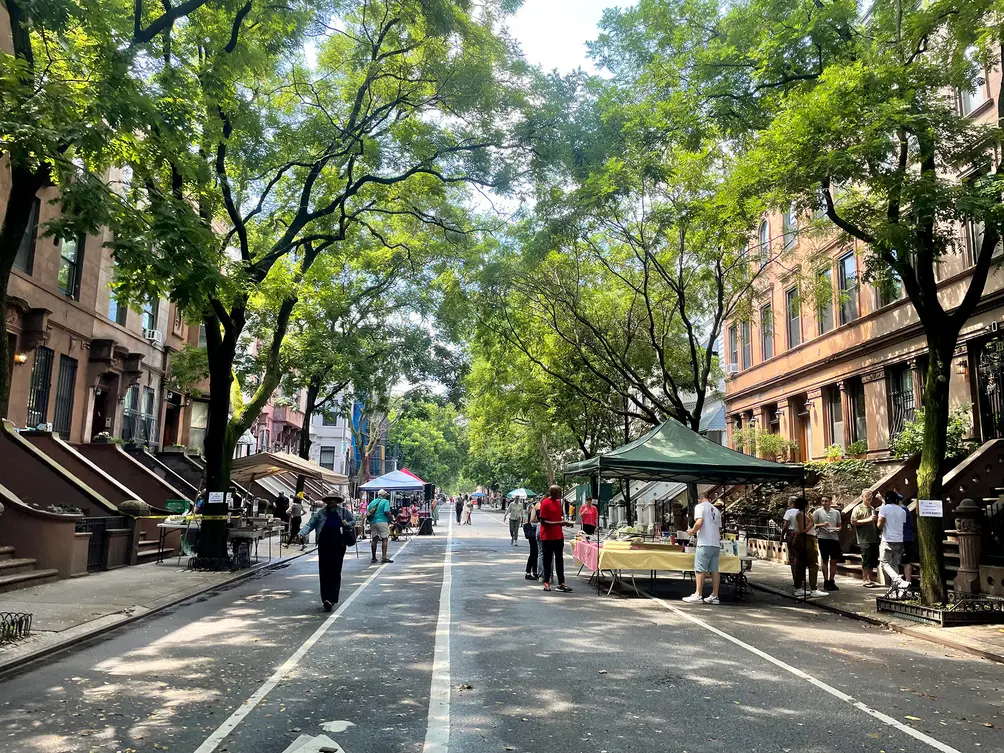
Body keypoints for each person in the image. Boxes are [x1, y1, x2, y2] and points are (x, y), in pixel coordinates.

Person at [300, 495, 355, 611]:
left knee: (335, 570)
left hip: (338, 545)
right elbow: (310, 524)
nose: (331, 502)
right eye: (329, 500)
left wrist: (347, 524)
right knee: (324, 571)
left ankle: (333, 597)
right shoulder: (320, 513)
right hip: (324, 545)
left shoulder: (344, 512)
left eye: (333, 500)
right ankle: (326, 598)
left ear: (336, 501)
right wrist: (302, 533)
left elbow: (353, 520)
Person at [682, 495, 723, 604]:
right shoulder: (716, 510)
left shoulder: (700, 507)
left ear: (699, 499)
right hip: (715, 543)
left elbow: (699, 522)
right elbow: (718, 527)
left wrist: (692, 531)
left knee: (700, 569)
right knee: (715, 570)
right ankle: (715, 595)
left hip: (705, 542)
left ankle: (698, 595)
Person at [539, 485, 573, 592]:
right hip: (547, 537)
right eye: (558, 492)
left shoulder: (559, 502)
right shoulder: (545, 503)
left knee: (559, 560)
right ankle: (546, 582)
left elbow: (558, 519)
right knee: (547, 560)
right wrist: (558, 523)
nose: (560, 494)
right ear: (552, 492)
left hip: (558, 536)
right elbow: (543, 521)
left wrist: (564, 523)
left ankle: (561, 583)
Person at [877, 490, 907, 586]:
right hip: (899, 539)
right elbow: (902, 524)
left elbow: (879, 524)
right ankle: (897, 588)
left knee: (884, 562)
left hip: (888, 539)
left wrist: (882, 527)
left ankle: (898, 580)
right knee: (894, 563)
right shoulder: (902, 511)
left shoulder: (884, 509)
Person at [812, 495, 843, 591]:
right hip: (823, 537)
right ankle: (826, 581)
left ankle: (832, 580)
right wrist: (823, 525)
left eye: (826, 501)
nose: (824, 503)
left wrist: (837, 529)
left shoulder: (836, 512)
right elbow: (812, 525)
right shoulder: (817, 512)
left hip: (834, 537)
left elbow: (839, 525)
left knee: (834, 560)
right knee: (824, 559)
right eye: (822, 501)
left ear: (830, 502)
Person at [852, 492, 881, 587]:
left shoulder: (872, 508)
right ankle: (865, 579)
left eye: (870, 497)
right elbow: (853, 522)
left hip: (874, 537)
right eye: (866, 497)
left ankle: (870, 578)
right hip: (864, 538)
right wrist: (867, 520)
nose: (869, 499)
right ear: (862, 497)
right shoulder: (857, 508)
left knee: (873, 558)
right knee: (866, 558)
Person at [367, 489, 394, 564]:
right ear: (384, 495)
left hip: (373, 522)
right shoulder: (385, 501)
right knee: (384, 538)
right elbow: (386, 511)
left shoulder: (372, 502)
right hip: (382, 521)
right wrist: (391, 519)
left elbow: (368, 512)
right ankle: (384, 557)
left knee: (374, 539)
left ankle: (373, 557)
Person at [901, 495, 917, 587]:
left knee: (905, 561)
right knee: (904, 561)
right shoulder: (903, 509)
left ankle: (908, 581)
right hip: (905, 538)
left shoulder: (903, 510)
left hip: (905, 538)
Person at [524, 508, 539, 580]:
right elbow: (532, 520)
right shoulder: (534, 509)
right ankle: (528, 572)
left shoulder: (535, 509)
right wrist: (540, 520)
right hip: (533, 534)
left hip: (536, 533)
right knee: (533, 553)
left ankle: (535, 571)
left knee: (536, 554)